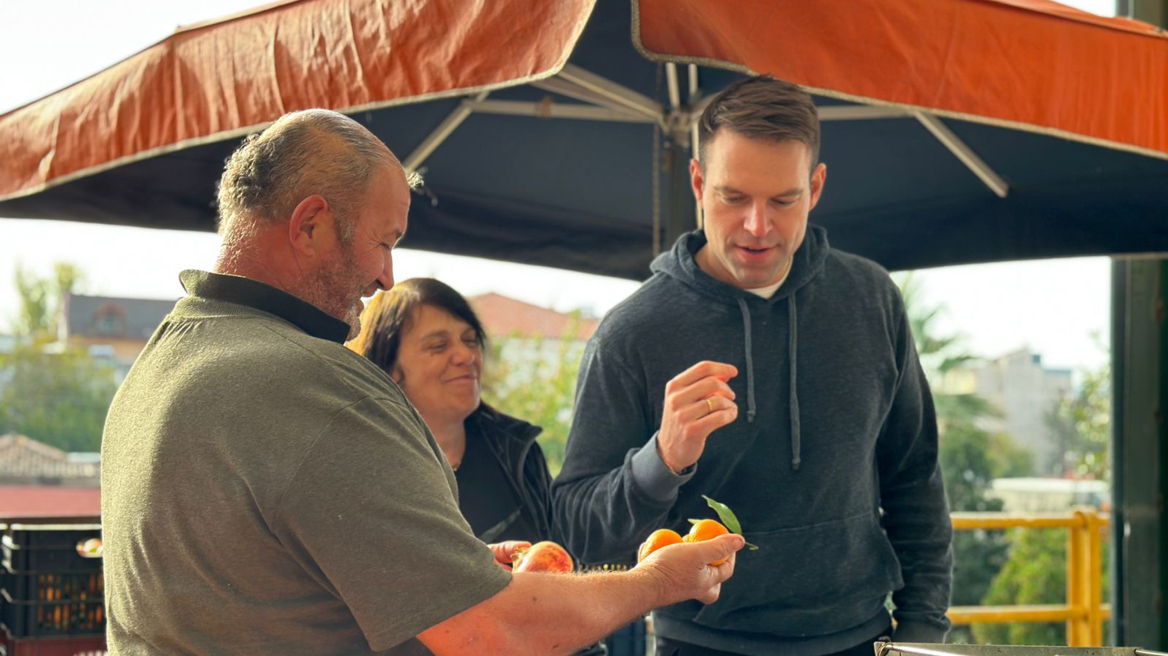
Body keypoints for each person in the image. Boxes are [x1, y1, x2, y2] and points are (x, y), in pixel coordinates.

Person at [100, 108, 744, 656]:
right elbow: (494, 633)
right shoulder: (314, 385)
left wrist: (449, 570)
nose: (386, 277)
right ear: (310, 224)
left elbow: (269, 578)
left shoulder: (158, 365)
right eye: (384, 242)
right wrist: (660, 581)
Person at [551, 76, 953, 656]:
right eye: (733, 197)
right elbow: (576, 531)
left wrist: (923, 631)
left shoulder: (872, 298)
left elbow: (915, 479)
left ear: (815, 187)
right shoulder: (631, 331)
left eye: (783, 200)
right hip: (699, 644)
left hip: (864, 638)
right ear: (698, 183)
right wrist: (661, 461)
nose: (758, 226)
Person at [348, 279, 606, 656]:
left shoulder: (518, 450)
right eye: (438, 345)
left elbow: (563, 578)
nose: (464, 355)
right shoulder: (364, 468)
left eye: (470, 340)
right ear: (389, 368)